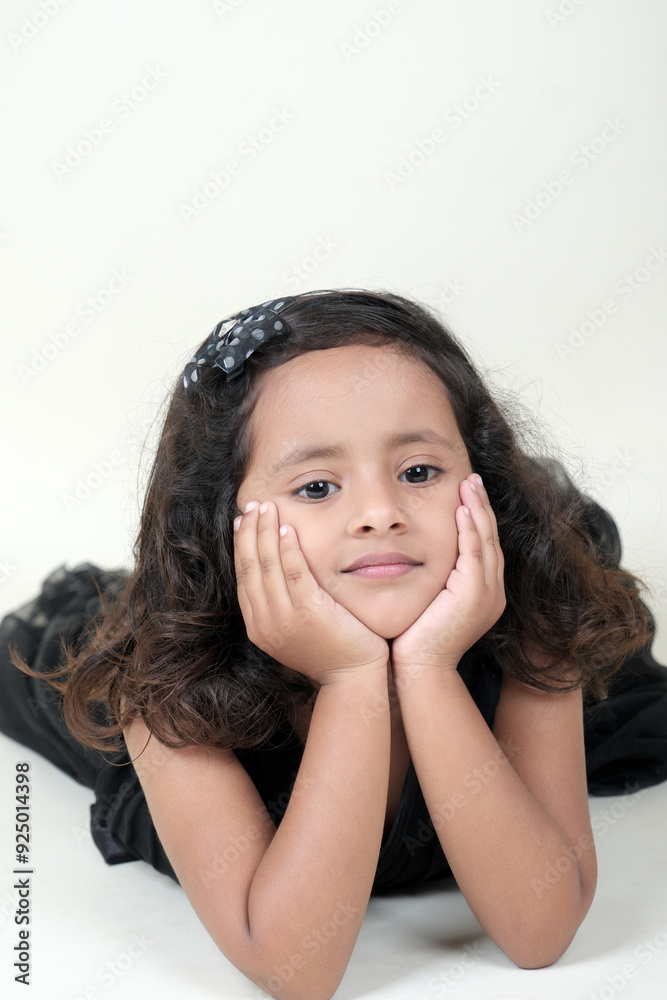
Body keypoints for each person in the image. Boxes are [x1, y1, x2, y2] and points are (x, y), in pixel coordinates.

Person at [1, 289, 666, 1000]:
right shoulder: (165, 676)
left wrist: (427, 667)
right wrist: (352, 678)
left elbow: (539, 931)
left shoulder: (532, 616)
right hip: (191, 647)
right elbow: (295, 969)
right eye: (317, 486)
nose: (379, 515)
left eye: (419, 472)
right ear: (223, 514)